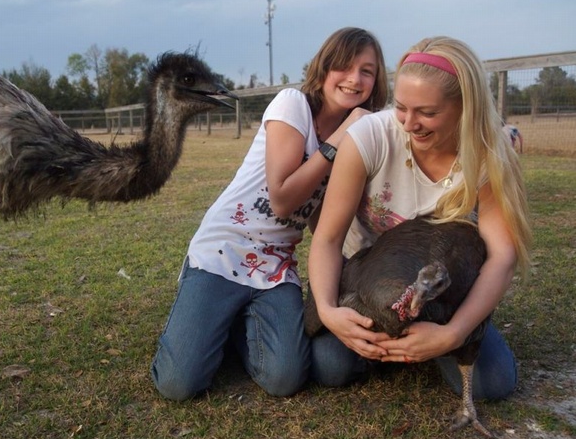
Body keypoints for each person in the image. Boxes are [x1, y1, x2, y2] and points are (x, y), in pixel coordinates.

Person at [151, 28, 389, 401]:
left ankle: (228, 326)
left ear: (376, 83)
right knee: (178, 384)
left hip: (274, 264)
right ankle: (204, 318)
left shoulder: (358, 136)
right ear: (324, 68)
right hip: (223, 250)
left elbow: (318, 214)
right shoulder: (292, 104)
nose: (354, 79)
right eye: (343, 66)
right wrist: (338, 139)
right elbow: (282, 199)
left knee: (285, 379)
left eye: (367, 71)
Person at [307, 36, 532, 401]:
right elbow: (328, 239)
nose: (410, 123)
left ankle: (429, 342)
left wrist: (454, 333)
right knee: (331, 367)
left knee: (492, 385)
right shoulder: (369, 138)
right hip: (367, 284)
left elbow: (503, 256)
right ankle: (397, 345)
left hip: (442, 294)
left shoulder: (489, 155)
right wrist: (329, 311)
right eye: (401, 108)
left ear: (464, 108)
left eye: (427, 112)